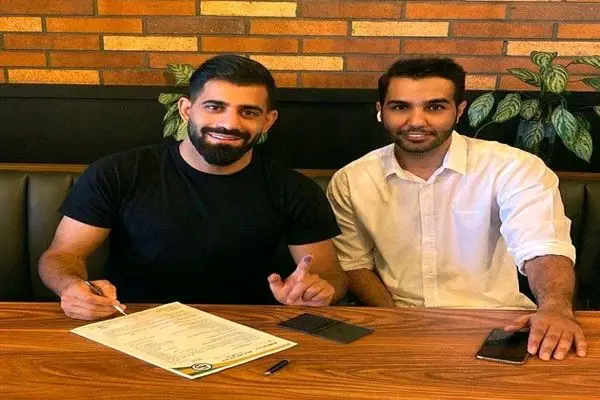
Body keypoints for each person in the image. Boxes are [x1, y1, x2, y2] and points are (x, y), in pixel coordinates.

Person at [39, 54, 347, 320]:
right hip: (134, 322)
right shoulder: (118, 173)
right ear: (186, 110)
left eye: (249, 112)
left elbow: (330, 274)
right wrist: (71, 286)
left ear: (268, 121)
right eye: (214, 107)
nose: (230, 124)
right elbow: (62, 254)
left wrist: (318, 290)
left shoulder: (294, 189)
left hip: (252, 329)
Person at [326, 57, 586, 361]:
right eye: (400, 107)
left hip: (496, 322)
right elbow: (354, 263)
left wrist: (555, 309)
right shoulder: (351, 180)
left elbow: (542, 246)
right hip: (399, 323)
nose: (417, 121)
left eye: (435, 107)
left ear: (459, 110)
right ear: (380, 110)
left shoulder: (512, 167)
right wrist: (397, 321)